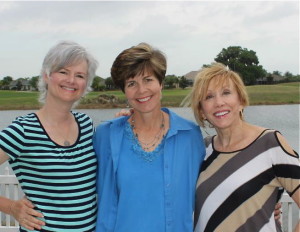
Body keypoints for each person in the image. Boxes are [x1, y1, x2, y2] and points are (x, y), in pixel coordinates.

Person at [93, 42, 206, 232]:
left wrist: (269, 201)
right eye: (131, 84)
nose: (141, 90)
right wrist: (24, 206)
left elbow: (215, 182)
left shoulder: (190, 136)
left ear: (161, 83)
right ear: (125, 92)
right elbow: (74, 179)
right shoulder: (106, 135)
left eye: (148, 80)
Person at [0, 41, 98, 232]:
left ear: (86, 84)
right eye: (63, 71)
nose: (71, 80)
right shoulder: (23, 130)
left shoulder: (86, 125)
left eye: (79, 75)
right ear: (46, 75)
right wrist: (11, 207)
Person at [189, 63, 300, 232]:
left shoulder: (270, 143)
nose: (219, 102)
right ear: (202, 111)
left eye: (226, 93)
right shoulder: (201, 150)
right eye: (208, 97)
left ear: (241, 100)